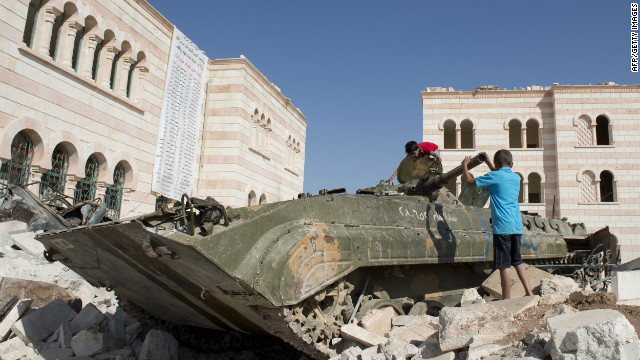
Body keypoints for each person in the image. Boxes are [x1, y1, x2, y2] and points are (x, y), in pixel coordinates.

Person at [461, 150, 534, 299]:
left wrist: (465, 166)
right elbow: (500, 175)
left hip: (502, 226)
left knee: (504, 265)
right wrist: (488, 162)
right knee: (517, 261)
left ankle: (507, 299)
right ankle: (529, 292)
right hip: (516, 225)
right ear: (511, 164)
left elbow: (469, 182)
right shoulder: (515, 177)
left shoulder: (495, 176)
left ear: (495, 164)